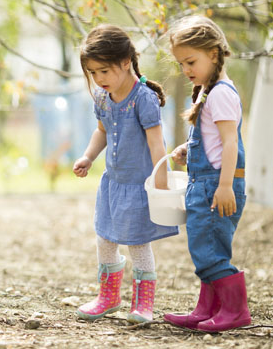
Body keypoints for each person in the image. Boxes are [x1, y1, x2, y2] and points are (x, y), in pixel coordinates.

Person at [72, 24, 178, 324]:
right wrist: (88, 156)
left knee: (137, 242)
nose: (98, 79)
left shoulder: (143, 99)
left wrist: (161, 183)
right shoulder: (103, 99)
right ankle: (108, 297)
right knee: (104, 238)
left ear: (125, 62)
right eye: (93, 73)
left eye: (104, 71)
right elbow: (101, 131)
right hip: (113, 185)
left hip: (139, 186)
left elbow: (158, 144)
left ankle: (143, 303)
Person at [163, 15, 250, 332]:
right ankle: (208, 307)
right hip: (204, 184)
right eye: (182, 64)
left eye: (191, 62)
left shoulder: (221, 93)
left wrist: (225, 185)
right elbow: (213, 139)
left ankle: (235, 310)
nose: (186, 70)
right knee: (203, 247)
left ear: (214, 53)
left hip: (217, 185)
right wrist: (190, 148)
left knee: (211, 250)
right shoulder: (207, 91)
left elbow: (231, 144)